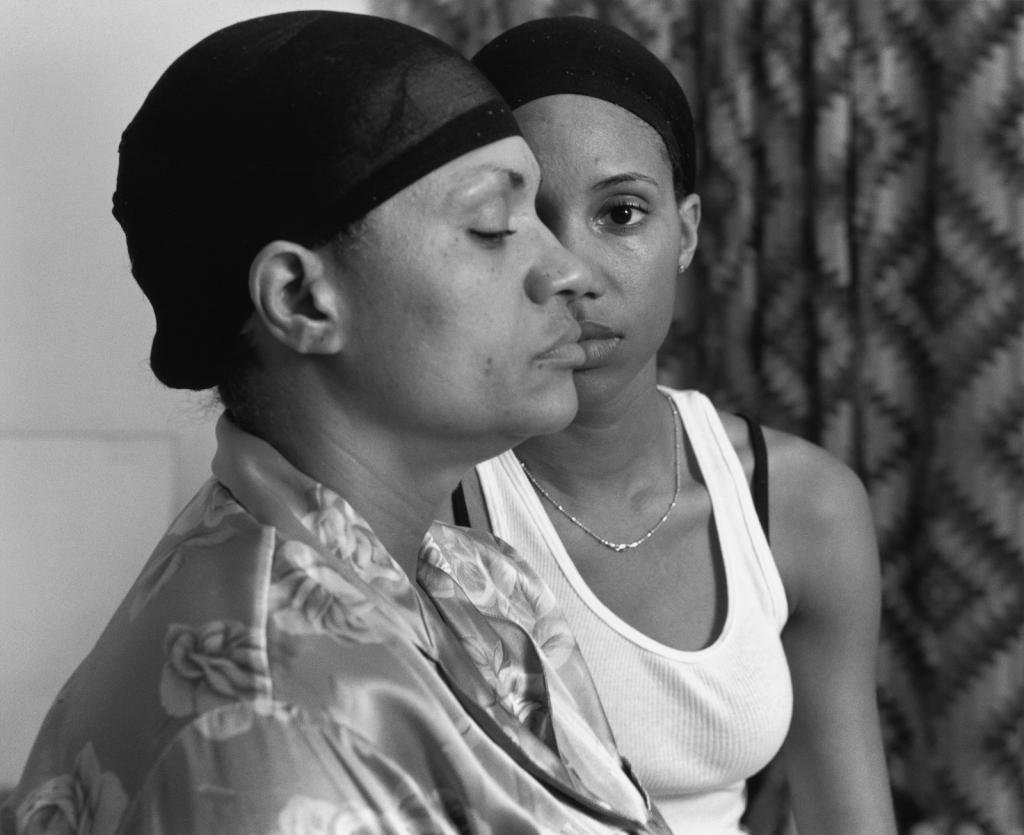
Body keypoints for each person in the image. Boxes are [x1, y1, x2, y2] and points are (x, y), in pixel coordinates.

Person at [0, 12, 671, 835]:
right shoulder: (269, 726)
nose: (567, 270)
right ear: (301, 300)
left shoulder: (476, 580)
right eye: (493, 228)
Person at [453, 16, 898, 834]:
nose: (571, 271)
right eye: (523, 221)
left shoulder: (801, 506)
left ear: (686, 232)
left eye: (620, 213)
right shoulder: (424, 505)